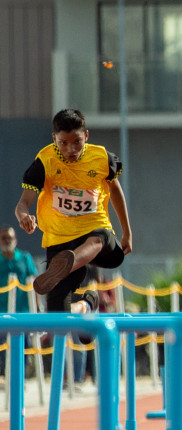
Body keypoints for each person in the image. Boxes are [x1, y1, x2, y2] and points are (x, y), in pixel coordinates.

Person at [14, 109, 132, 314]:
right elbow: (23, 203)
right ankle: (86, 305)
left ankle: (68, 265)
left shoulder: (101, 158)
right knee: (57, 314)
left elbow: (115, 190)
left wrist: (127, 231)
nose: (71, 149)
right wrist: (24, 217)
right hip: (60, 240)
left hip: (97, 239)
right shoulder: (45, 161)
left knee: (99, 237)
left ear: (86, 136)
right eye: (63, 143)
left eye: (77, 142)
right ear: (54, 139)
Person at [0, 227, 37, 307]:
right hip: (2, 311)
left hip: (24, 310)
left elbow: (34, 282)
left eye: (9, 238)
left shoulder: (25, 257)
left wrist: (38, 305)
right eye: (3, 238)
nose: (7, 241)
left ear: (15, 240)